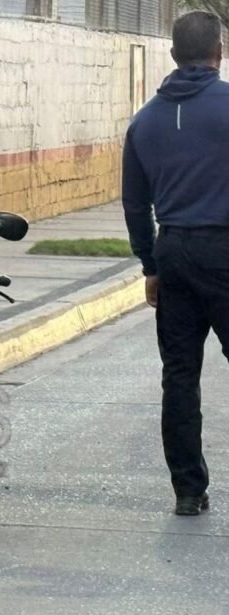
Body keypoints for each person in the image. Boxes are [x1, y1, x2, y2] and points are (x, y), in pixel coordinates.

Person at [122, 10, 229, 517]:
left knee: (180, 375)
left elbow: (134, 203)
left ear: (172, 54)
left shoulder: (144, 121)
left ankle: (188, 490)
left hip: (174, 252)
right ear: (220, 53)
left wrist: (150, 265)